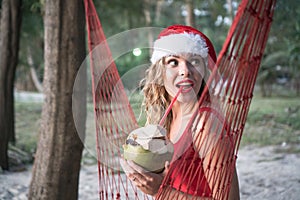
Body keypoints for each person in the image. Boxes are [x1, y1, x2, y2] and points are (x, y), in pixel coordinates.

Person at [121, 25, 240, 200]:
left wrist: (160, 192)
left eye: (195, 61)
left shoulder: (205, 123)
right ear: (161, 73)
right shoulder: (163, 121)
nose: (185, 71)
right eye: (173, 62)